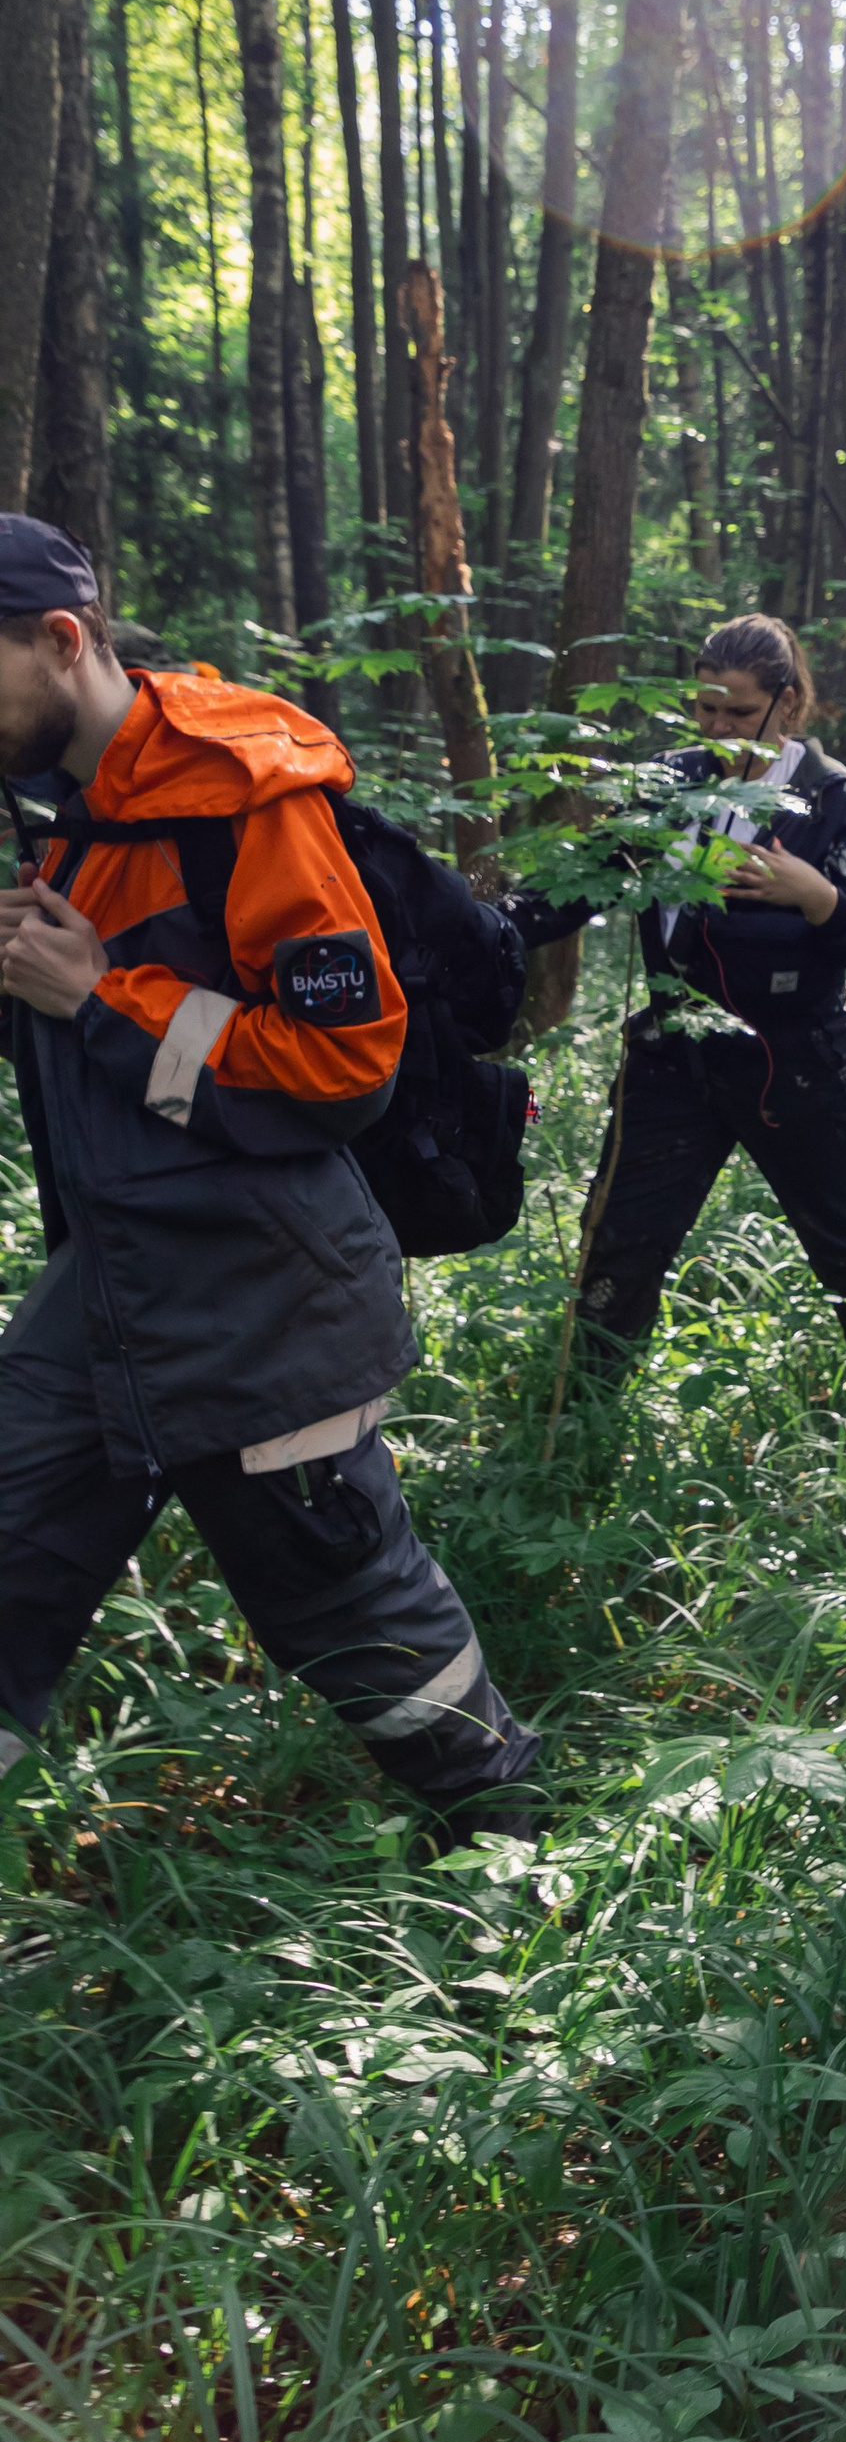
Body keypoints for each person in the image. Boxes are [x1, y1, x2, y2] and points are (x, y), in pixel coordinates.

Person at [0, 518, 542, 1849]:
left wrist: (99, 1001)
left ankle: (532, 1870)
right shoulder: (65, 814)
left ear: (62, 642)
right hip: (111, 1301)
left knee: (369, 1631)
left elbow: (344, 1064)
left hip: (260, 1310)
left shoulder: (244, 796)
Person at [521, 613, 846, 1388]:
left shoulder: (827, 798)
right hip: (673, 1054)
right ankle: (580, 1413)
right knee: (621, 1236)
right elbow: (574, 889)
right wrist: (480, 924)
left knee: (840, 1241)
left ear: (789, 704)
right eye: (705, 709)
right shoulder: (667, 784)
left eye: (739, 712)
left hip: (793, 1062)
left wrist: (816, 897)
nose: (720, 727)